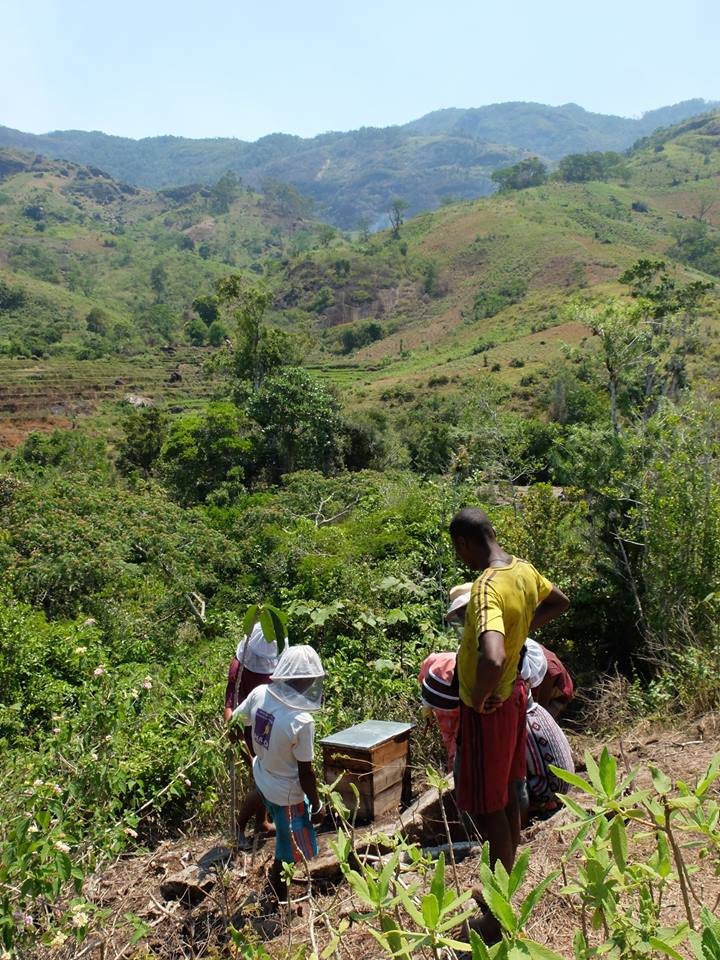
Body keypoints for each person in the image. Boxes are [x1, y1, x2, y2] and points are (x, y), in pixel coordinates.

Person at [449, 507, 569, 942]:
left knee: (489, 803)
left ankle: (498, 915)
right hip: (516, 696)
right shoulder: (523, 571)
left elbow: (494, 656)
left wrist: (479, 698)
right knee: (509, 790)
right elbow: (558, 602)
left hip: (491, 706)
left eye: (457, 550)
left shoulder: (484, 589)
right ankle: (510, 883)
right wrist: (523, 630)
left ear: (465, 544)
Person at [232, 644, 325, 902]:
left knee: (268, 808)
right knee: (288, 851)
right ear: (306, 680)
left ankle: (254, 828)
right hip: (287, 795)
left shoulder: (260, 694)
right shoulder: (301, 722)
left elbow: (235, 724)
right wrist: (316, 805)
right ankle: (278, 899)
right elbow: (306, 773)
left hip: (263, 775)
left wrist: (248, 757)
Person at [224, 624, 286, 848]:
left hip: (268, 726)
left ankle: (262, 822)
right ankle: (238, 827)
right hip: (248, 730)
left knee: (264, 779)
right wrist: (235, 735)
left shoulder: (275, 666)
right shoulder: (238, 668)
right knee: (262, 782)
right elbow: (231, 705)